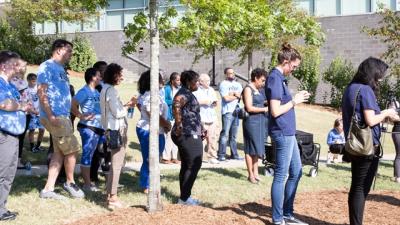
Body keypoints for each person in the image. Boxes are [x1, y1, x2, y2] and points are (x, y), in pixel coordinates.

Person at [342, 57, 397, 225]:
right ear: (372, 73)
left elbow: (361, 118)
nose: (380, 79)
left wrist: (384, 117)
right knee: (360, 188)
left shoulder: (350, 88)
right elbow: (371, 120)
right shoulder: (365, 90)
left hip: (354, 145)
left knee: (356, 186)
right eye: (380, 75)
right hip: (366, 147)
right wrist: (387, 113)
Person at [266, 43, 310, 225]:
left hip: (288, 133)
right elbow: (275, 111)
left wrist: (294, 99)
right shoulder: (275, 78)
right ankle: (278, 219)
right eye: (293, 66)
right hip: (282, 132)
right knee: (281, 174)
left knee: (297, 172)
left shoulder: (280, 78)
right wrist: (295, 101)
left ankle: (286, 213)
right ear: (285, 61)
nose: (294, 70)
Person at [38, 39, 84, 200]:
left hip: (63, 115)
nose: (71, 54)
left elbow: (66, 95)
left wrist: (77, 114)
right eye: (69, 50)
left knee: (59, 152)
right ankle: (70, 182)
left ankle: (48, 189)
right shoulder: (47, 66)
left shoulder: (61, 69)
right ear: (59, 50)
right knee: (72, 149)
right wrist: (50, 114)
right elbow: (41, 92)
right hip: (55, 116)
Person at [0, 51, 31, 221]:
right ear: (3, 66)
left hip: (13, 135)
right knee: (2, 172)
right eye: (14, 64)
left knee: (9, 173)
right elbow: (4, 104)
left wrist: (25, 106)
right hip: (4, 135)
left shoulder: (10, 85)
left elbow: (19, 102)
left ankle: (1, 208)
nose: (17, 67)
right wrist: (21, 106)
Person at [101, 63, 135, 209]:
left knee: (116, 163)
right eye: (120, 74)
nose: (122, 77)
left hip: (110, 129)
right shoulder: (112, 91)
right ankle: (113, 197)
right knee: (117, 164)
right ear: (114, 75)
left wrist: (125, 105)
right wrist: (128, 106)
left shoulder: (105, 89)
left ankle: (109, 194)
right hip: (116, 130)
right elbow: (117, 112)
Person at [172, 70, 206, 206]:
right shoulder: (183, 93)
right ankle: (184, 198)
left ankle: (185, 197)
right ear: (188, 82)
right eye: (195, 81)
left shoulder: (188, 93)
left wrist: (201, 128)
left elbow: (192, 114)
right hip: (186, 133)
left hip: (192, 131)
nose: (197, 83)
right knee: (194, 164)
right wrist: (179, 124)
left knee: (187, 165)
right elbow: (176, 105)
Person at [136, 70, 171, 193]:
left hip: (158, 129)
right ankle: (146, 185)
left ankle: (151, 182)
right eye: (160, 78)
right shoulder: (150, 95)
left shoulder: (158, 94)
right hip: (148, 129)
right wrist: (166, 124)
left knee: (156, 158)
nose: (162, 80)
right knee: (149, 158)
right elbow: (153, 113)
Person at [71, 67, 103, 192]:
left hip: (98, 127)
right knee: (87, 154)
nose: (101, 78)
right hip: (88, 127)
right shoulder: (84, 91)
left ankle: (90, 181)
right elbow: (72, 104)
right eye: (99, 76)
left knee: (95, 153)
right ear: (93, 77)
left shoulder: (96, 91)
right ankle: (87, 184)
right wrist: (80, 115)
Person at [242, 68, 268, 184]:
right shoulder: (248, 89)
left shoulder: (259, 90)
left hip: (261, 121)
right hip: (251, 122)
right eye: (262, 80)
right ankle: (250, 175)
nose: (263, 83)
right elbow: (249, 107)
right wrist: (265, 109)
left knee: (257, 148)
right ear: (256, 78)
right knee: (250, 148)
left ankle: (256, 173)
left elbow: (260, 102)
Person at [217, 67, 243, 161]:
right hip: (227, 112)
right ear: (226, 74)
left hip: (237, 111)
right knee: (225, 134)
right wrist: (236, 95)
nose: (232, 75)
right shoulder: (223, 84)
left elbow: (241, 97)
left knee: (234, 135)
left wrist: (233, 95)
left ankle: (234, 154)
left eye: (233, 73)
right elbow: (226, 99)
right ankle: (221, 155)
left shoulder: (238, 84)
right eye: (229, 73)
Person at [193, 73, 220, 164]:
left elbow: (215, 102)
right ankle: (199, 157)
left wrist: (208, 102)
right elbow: (196, 102)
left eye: (209, 80)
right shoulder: (196, 91)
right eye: (206, 81)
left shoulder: (212, 90)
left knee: (213, 138)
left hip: (212, 117)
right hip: (201, 118)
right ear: (201, 82)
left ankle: (212, 156)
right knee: (201, 138)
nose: (209, 82)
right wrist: (206, 102)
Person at [91, 60, 109, 183]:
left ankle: (104, 171)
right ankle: (93, 175)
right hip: (96, 123)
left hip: (105, 122)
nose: (105, 71)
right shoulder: (96, 85)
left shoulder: (105, 84)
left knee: (104, 150)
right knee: (97, 151)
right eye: (103, 69)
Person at [161, 72, 180, 164]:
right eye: (177, 80)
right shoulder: (166, 89)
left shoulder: (179, 89)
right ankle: (165, 157)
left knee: (176, 136)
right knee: (168, 136)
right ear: (172, 81)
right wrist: (174, 101)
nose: (179, 82)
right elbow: (164, 101)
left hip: (177, 116)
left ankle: (174, 157)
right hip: (169, 115)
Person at [26, 73, 45, 153]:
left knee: (42, 129)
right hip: (32, 114)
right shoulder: (26, 90)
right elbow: (27, 102)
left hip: (40, 113)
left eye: (35, 80)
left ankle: (38, 146)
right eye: (33, 80)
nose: (34, 82)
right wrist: (33, 110)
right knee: (32, 130)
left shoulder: (38, 88)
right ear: (28, 80)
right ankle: (32, 147)